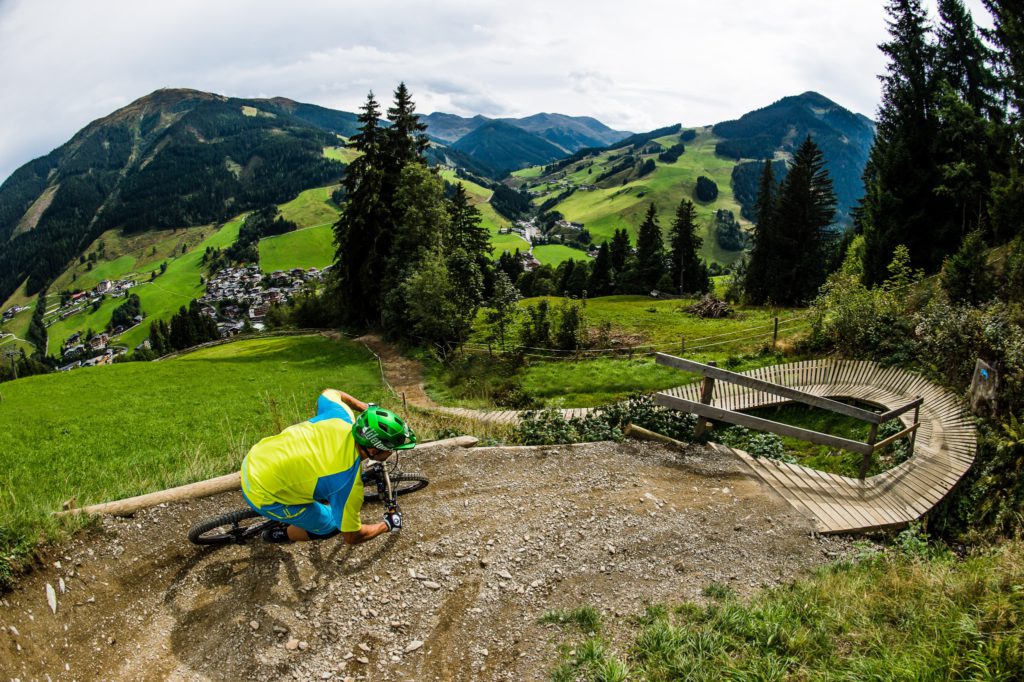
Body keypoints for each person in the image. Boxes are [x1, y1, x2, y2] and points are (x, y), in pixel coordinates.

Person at [239, 389, 417, 544]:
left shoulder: (341, 416)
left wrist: (367, 409)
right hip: (260, 491)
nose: (392, 453)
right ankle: (280, 534)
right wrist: (387, 525)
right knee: (331, 526)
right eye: (390, 449)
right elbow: (352, 536)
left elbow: (330, 392)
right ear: (372, 450)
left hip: (256, 457)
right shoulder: (347, 483)